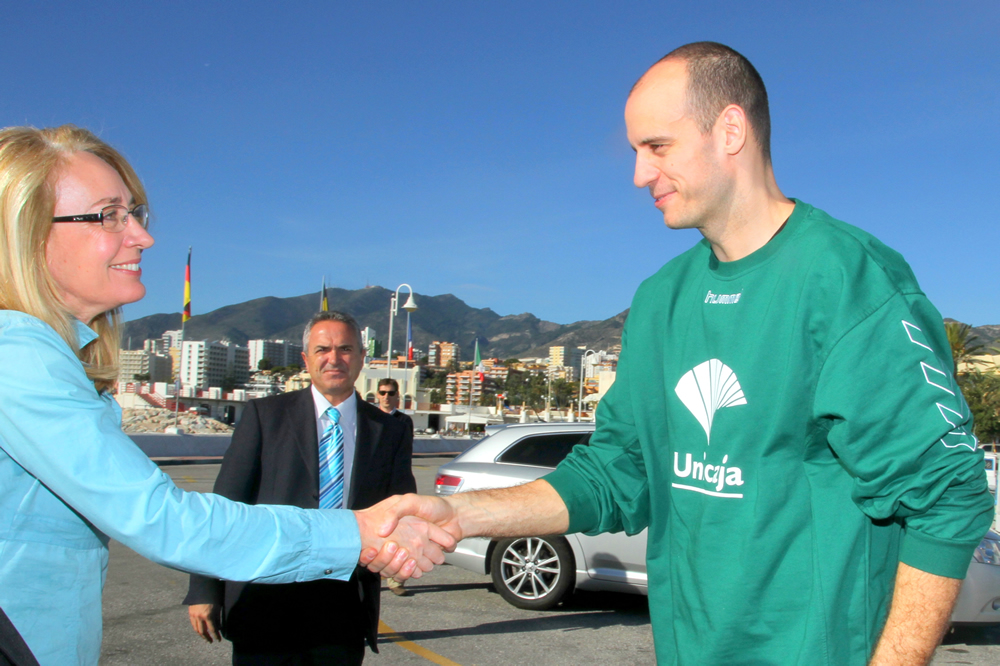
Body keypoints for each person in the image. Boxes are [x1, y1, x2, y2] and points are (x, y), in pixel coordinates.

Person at [376, 43, 995, 665]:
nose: (639, 175)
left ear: (730, 130)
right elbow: (617, 473)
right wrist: (455, 513)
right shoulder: (660, 300)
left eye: (657, 147)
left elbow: (950, 494)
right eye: (636, 152)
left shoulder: (848, 282)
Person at [0, 125, 452, 666]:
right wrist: (353, 533)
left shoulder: (42, 355)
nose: (142, 237)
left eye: (135, 214)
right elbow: (165, 519)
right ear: (27, 234)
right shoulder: (17, 354)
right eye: (108, 215)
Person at [185, 311, 417, 664]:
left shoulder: (390, 431)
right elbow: (224, 505)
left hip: (343, 606)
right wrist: (205, 588)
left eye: (345, 349)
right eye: (323, 349)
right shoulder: (264, 416)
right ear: (306, 359)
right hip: (264, 599)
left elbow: (401, 509)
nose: (334, 358)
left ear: (360, 359)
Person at [375, 377, 414, 597]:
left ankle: (395, 579)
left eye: (390, 393)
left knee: (398, 533)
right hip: (373, 485)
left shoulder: (404, 421)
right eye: (382, 393)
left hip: (398, 483)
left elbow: (404, 452)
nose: (386, 397)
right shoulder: (369, 418)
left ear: (398, 396)